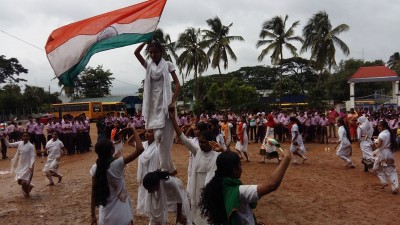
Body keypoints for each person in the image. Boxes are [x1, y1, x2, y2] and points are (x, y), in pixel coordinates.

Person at [199, 149, 292, 225]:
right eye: (240, 165)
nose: (241, 168)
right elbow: (272, 184)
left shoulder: (216, 185)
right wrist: (286, 159)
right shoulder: (240, 191)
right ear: (235, 170)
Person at [169, 105, 221, 225]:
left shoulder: (217, 156)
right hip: (196, 190)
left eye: (203, 142)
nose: (201, 145)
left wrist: (222, 150)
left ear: (211, 142)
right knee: (195, 216)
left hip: (211, 193)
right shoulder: (197, 152)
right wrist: (173, 119)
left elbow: (231, 161)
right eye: (200, 142)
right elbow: (182, 137)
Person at [135, 40, 180, 173]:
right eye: (151, 52)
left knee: (162, 140)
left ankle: (164, 169)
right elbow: (136, 53)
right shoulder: (148, 66)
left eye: (155, 52)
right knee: (159, 139)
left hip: (166, 106)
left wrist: (173, 101)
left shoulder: (168, 65)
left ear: (161, 52)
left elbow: (177, 84)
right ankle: (170, 169)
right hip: (153, 107)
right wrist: (144, 40)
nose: (153, 55)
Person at [90, 127, 144, 225]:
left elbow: (93, 192)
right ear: (112, 150)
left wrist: (93, 215)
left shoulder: (95, 168)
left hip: (105, 218)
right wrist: (132, 129)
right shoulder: (118, 164)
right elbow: (140, 149)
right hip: (122, 215)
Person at [134, 128, 160, 215]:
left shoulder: (157, 147)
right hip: (143, 172)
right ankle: (142, 207)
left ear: (155, 134)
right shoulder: (143, 145)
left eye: (149, 132)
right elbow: (129, 142)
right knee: (142, 190)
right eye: (146, 132)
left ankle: (150, 208)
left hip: (151, 173)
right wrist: (137, 133)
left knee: (150, 190)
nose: (146, 134)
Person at [372, 120, 399, 194]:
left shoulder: (382, 134)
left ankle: (395, 187)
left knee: (385, 170)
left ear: (383, 126)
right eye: (378, 126)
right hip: (389, 153)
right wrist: (377, 139)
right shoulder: (388, 132)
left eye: (380, 126)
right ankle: (386, 183)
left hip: (383, 154)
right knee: (380, 169)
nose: (378, 127)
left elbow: (378, 145)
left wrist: (374, 143)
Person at [5, 132, 35, 197]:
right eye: (24, 136)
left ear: (29, 137)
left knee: (25, 182)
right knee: (19, 181)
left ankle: (27, 193)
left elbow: (32, 156)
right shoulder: (20, 143)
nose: (25, 137)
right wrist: (4, 138)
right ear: (22, 137)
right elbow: (9, 145)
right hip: (20, 165)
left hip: (28, 166)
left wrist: (31, 165)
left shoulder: (31, 146)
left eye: (27, 136)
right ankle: (29, 186)